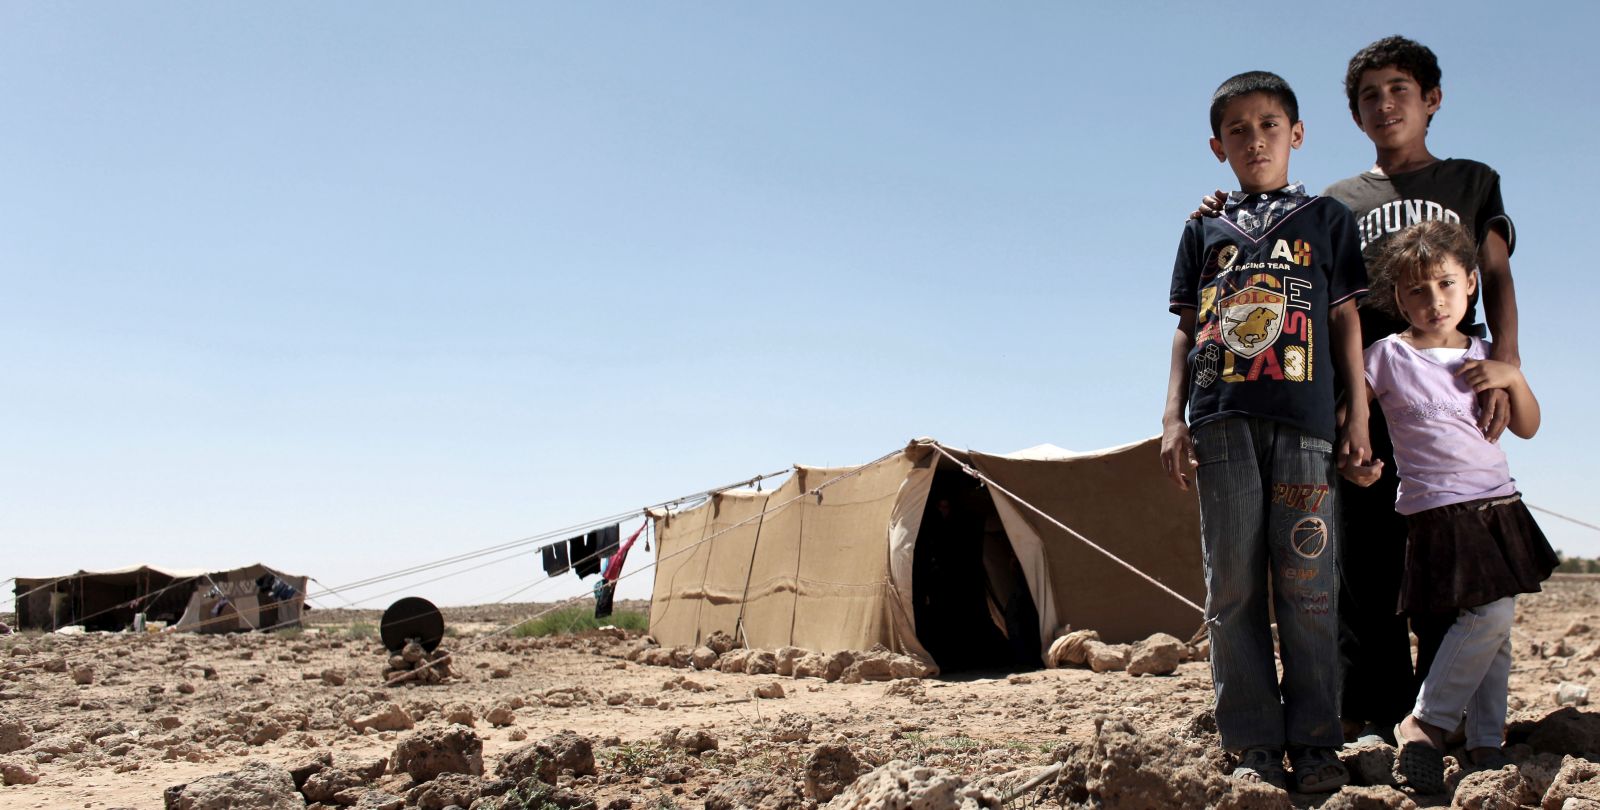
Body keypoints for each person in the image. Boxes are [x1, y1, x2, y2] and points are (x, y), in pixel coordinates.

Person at [1192, 37, 1524, 744]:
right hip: (1365, 394)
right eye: (1370, 95)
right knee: (1361, 557)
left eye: (1400, 89)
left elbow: (1494, 277)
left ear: (1432, 99)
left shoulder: (1472, 180)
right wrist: (1223, 204)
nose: (1385, 103)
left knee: (1447, 554)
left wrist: (1509, 364)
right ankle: (1369, 707)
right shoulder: (1340, 200)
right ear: (1354, 115)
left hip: (1451, 394)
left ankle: (1445, 710)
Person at [1162, 70, 1370, 793]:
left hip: (1305, 426)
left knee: (1309, 587)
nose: (1256, 139)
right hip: (1219, 422)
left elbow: (1345, 319)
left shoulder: (1325, 219)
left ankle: (1316, 743)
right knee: (1233, 590)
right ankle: (1251, 742)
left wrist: (1359, 411)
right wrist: (1170, 417)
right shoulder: (1203, 227)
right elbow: (1190, 330)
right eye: (1239, 130)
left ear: (1297, 134)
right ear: (1218, 146)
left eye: (1269, 125)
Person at [1341, 220, 1555, 792]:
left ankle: (1486, 742)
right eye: (1416, 290)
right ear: (1396, 299)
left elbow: (1529, 426)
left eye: (1445, 284)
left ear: (1470, 286)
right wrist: (1354, 455)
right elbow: (1349, 418)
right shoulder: (1385, 356)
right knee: (1488, 617)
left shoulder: (1486, 355)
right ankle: (1427, 721)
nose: (1434, 301)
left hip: (1498, 507)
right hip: (1436, 513)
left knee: (1496, 629)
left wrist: (1511, 375)